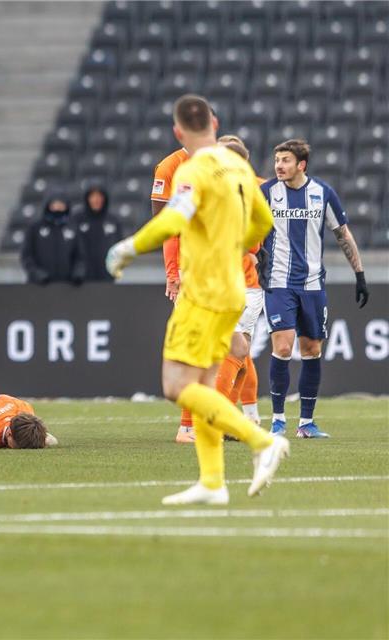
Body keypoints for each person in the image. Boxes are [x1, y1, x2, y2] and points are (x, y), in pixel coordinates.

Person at [106, 94, 288, 506]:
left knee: (176, 386)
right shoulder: (240, 168)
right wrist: (235, 245)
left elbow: (173, 218)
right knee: (206, 382)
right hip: (234, 290)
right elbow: (263, 222)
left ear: (177, 131)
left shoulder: (192, 168)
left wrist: (131, 247)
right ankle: (212, 481)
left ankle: (261, 441)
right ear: (214, 122)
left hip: (202, 291)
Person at [260, 139, 369, 439]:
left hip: (312, 285)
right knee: (282, 347)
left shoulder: (322, 193)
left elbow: (342, 234)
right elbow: (248, 229)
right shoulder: (267, 193)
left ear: (301, 165)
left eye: (285, 160)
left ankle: (306, 423)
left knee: (312, 350)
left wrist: (359, 274)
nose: (278, 166)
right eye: (277, 160)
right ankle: (278, 420)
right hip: (279, 283)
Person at [213, 135, 264, 427]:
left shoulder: (254, 189)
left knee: (236, 350)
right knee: (239, 351)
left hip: (243, 283)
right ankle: (247, 417)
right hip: (224, 282)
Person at [151, 144, 194, 443]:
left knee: (237, 349)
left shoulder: (225, 165)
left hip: (226, 274)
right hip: (194, 273)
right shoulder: (171, 166)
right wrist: (172, 273)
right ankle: (188, 425)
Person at [20, 194, 86, 285]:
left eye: (61, 206)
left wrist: (77, 273)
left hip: (67, 288)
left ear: (66, 207)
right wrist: (36, 273)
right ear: (48, 206)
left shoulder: (73, 229)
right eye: (54, 206)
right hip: (39, 285)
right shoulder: (35, 228)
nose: (57, 209)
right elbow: (26, 256)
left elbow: (80, 257)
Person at [73, 185, 123, 282]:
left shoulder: (113, 220)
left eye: (99, 196)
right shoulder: (77, 219)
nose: (96, 200)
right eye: (93, 196)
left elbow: (119, 246)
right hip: (81, 277)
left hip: (107, 275)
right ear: (87, 199)